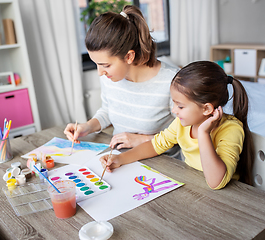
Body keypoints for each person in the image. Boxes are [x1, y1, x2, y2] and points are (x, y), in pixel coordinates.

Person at [100, 61, 254, 189]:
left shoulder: (231, 129)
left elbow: (216, 182)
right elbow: (154, 145)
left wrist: (203, 134)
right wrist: (121, 159)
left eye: (180, 106)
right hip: (195, 185)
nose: (174, 111)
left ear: (207, 109)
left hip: (228, 196)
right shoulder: (181, 124)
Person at [64, 5, 179, 152]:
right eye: (97, 65)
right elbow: (108, 110)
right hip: (120, 158)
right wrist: (87, 127)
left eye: (105, 65)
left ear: (129, 56)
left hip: (163, 165)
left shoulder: (171, 81)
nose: (100, 72)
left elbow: (187, 132)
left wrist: (144, 139)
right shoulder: (110, 78)